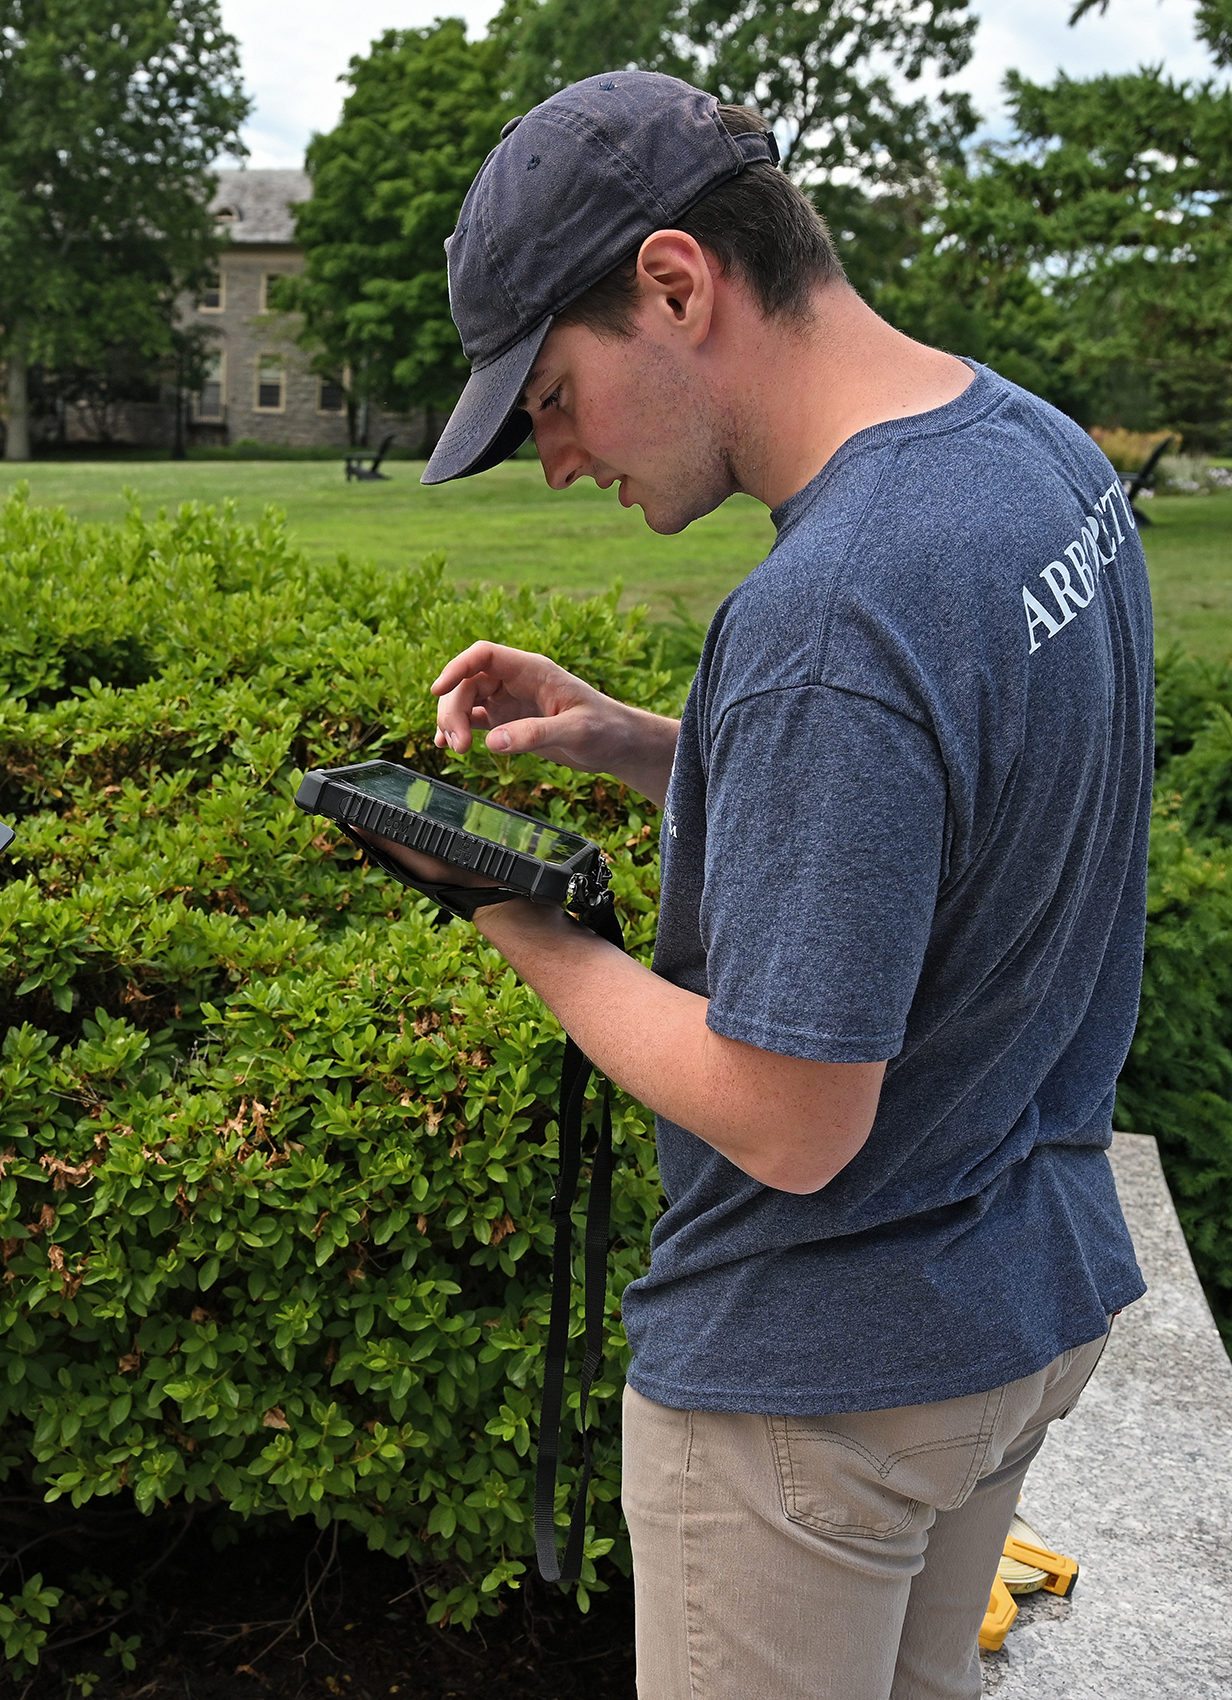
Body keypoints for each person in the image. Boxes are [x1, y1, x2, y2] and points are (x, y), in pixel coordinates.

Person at [370, 73, 1149, 1699]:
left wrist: (513, 920)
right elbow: (946, 795)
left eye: (554, 396)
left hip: (820, 1394)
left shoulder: (830, 613)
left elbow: (794, 1121)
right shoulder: (1035, 459)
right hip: (1010, 1312)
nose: (556, 458)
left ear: (675, 283)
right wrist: (657, 745)